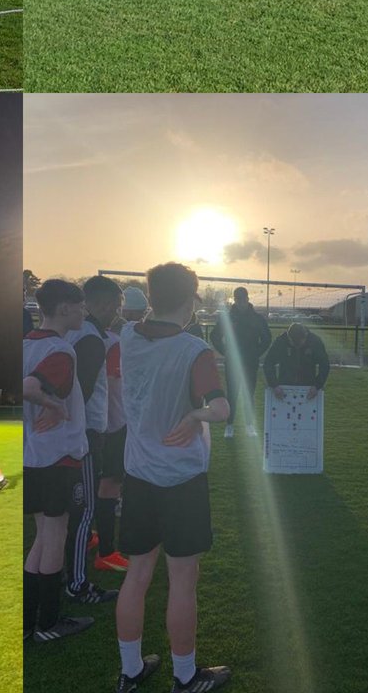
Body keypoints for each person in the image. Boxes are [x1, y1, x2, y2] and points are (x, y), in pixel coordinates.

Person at [113, 262, 232, 693]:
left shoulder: (129, 336)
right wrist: (197, 413)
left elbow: (136, 326)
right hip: (181, 477)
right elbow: (221, 409)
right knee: (182, 580)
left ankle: (130, 671)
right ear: (190, 297)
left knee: (137, 574)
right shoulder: (192, 348)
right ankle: (185, 676)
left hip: (138, 473)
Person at [23, 277, 93, 645]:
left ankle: (27, 621)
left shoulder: (25, 344)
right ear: (64, 308)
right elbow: (31, 388)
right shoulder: (61, 350)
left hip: (34, 457)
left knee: (42, 537)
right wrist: (55, 406)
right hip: (58, 458)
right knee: (55, 537)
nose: (84, 311)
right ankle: (49, 622)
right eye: (79, 305)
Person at [63, 275, 123, 605]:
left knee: (67, 512)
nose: (118, 310)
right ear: (100, 303)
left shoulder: (85, 334)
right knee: (84, 511)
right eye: (116, 303)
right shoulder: (90, 339)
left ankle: (67, 578)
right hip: (84, 434)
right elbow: (82, 392)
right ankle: (77, 584)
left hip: (79, 432)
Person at [95, 295, 129, 575]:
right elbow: (117, 384)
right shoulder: (110, 343)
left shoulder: (74, 336)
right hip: (111, 424)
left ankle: (92, 536)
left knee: (89, 485)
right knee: (109, 485)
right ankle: (106, 551)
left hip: (90, 425)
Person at [212, 286, 270, 438]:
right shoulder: (227, 318)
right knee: (232, 394)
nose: (241, 302)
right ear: (235, 300)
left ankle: (249, 425)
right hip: (232, 363)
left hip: (251, 363)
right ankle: (229, 425)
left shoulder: (257, 318)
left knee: (248, 393)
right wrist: (226, 352)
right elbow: (215, 336)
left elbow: (267, 339)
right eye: (238, 299)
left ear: (248, 299)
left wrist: (256, 353)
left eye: (243, 299)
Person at [263, 321, 330, 401]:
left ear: (305, 336)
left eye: (299, 343)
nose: (297, 347)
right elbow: (268, 363)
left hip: (308, 388)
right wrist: (274, 385)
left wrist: (317, 385)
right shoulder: (281, 341)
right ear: (289, 337)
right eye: (294, 344)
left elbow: (325, 364)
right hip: (284, 388)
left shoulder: (315, 342)